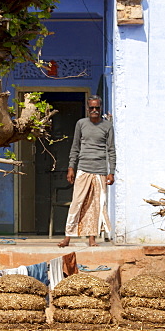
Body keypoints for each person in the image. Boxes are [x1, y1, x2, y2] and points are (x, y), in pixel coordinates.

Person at [58, 96, 115, 248]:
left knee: (96, 205)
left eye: (97, 108)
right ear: (88, 109)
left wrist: (112, 172)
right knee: (76, 202)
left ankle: (92, 239)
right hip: (83, 168)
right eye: (92, 108)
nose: (94, 111)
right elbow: (75, 147)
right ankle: (67, 237)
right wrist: (71, 167)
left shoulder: (107, 126)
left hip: (100, 171)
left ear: (101, 108)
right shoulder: (81, 124)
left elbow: (111, 150)